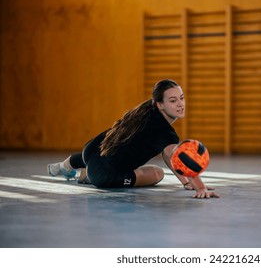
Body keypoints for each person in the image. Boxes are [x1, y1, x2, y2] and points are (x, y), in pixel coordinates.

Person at [47, 79, 219, 199]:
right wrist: (200, 187)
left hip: (91, 150)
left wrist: (185, 182)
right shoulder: (163, 131)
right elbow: (178, 156)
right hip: (105, 176)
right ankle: (86, 177)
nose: (181, 104)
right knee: (157, 173)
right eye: (173, 101)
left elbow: (168, 155)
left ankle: (60, 167)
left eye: (182, 98)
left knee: (96, 159)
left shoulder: (145, 111)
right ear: (160, 104)